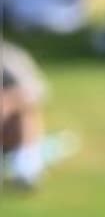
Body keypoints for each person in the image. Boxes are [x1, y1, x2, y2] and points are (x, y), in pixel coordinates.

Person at [1, 39, 76, 189]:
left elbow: (37, 91)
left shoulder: (9, 57)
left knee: (26, 114)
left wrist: (8, 100)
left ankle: (26, 169)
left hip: (9, 127)